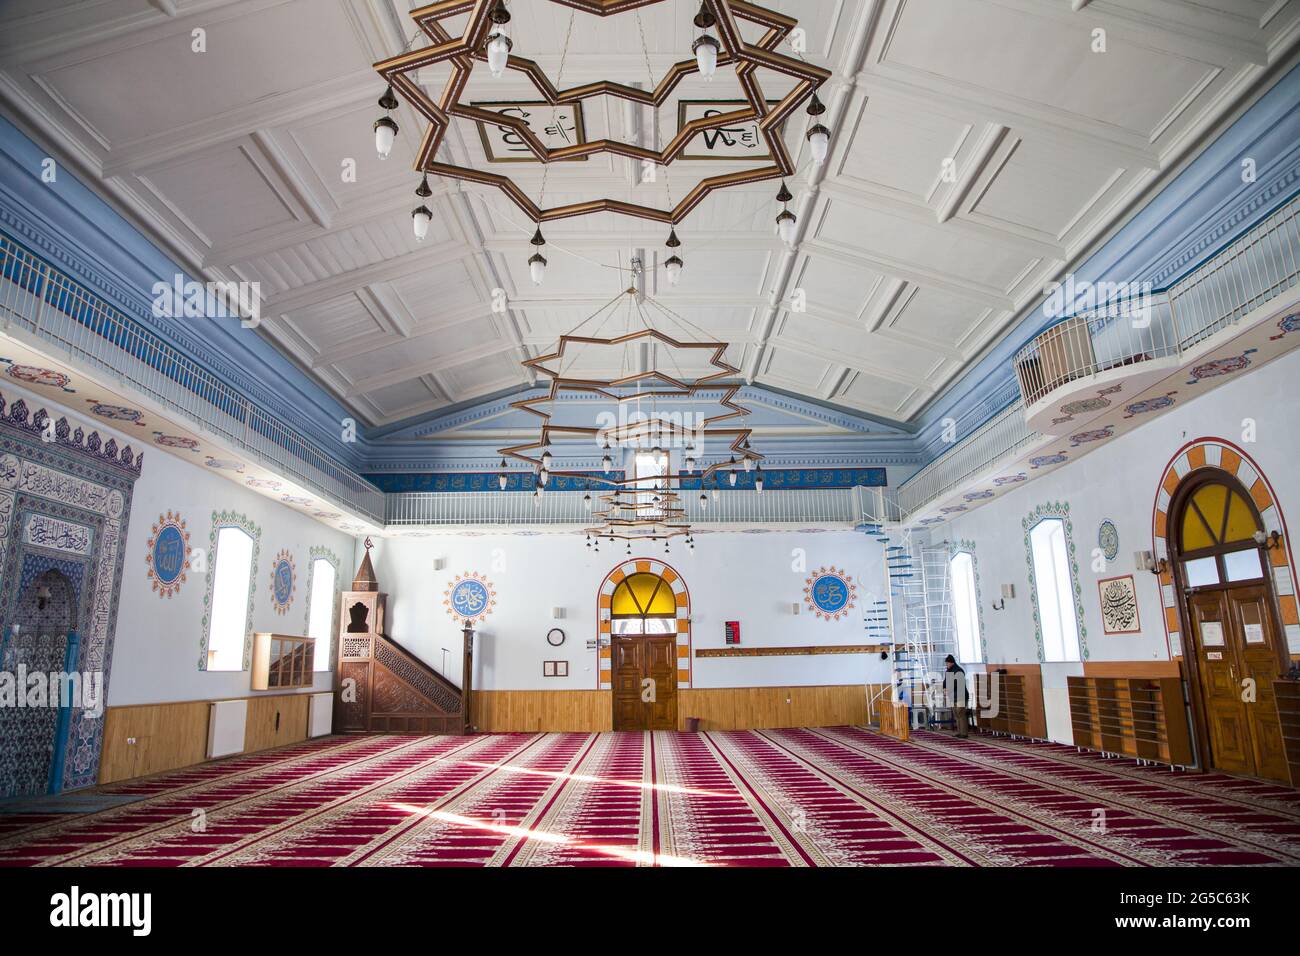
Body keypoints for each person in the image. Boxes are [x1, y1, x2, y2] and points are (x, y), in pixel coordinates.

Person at [942, 654, 969, 738]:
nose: (946, 665)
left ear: (951, 662)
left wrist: (948, 689)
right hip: (953, 696)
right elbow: (945, 681)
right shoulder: (949, 671)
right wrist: (944, 688)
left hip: (961, 695)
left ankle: (964, 733)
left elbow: (957, 683)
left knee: (961, 714)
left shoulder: (959, 671)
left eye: (947, 663)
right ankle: (959, 732)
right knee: (956, 715)